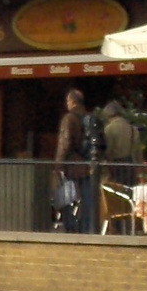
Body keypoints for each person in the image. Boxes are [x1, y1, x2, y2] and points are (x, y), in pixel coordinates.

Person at [53, 88, 92, 233]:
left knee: (67, 197)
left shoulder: (69, 119)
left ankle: (70, 226)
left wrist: (58, 164)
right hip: (87, 164)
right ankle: (88, 227)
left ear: (73, 102)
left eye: (68, 101)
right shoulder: (88, 118)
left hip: (72, 165)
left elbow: (65, 142)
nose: (67, 103)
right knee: (87, 198)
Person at [102, 99, 142, 185]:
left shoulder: (109, 129)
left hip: (115, 168)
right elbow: (138, 152)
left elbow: (107, 151)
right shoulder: (133, 129)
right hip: (131, 168)